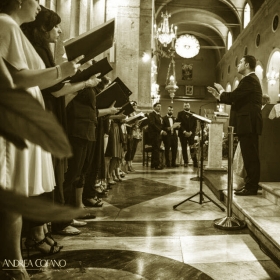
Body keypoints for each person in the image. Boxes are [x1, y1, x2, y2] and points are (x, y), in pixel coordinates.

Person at [0, 0, 83, 278]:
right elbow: (18, 80)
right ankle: (13, 266)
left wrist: (65, 70)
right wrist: (63, 71)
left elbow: (33, 79)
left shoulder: (15, 28)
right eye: (36, 0)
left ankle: (14, 261)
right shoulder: (5, 23)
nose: (39, 5)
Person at [207, 55, 263, 196]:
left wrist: (221, 90)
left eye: (241, 62)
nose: (238, 64)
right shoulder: (248, 81)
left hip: (249, 124)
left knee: (250, 156)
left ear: (247, 65)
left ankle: (252, 187)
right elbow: (236, 100)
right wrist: (219, 96)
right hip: (247, 124)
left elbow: (234, 97)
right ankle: (250, 185)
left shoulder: (249, 80)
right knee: (249, 156)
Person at [176, 102, 198, 167]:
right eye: (185, 105)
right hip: (183, 134)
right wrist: (184, 132)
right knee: (184, 148)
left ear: (189, 106)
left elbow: (195, 125)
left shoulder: (193, 114)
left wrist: (191, 132)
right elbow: (179, 124)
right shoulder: (180, 114)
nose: (186, 106)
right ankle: (186, 162)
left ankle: (195, 162)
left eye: (188, 105)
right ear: (183, 107)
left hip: (191, 134)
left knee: (192, 148)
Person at [147, 103, 167, 169]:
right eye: (158, 106)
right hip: (154, 134)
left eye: (160, 106)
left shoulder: (159, 115)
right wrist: (161, 131)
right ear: (154, 107)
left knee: (156, 149)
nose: (159, 108)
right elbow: (152, 124)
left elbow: (161, 125)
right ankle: (157, 165)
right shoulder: (151, 114)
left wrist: (164, 130)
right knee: (156, 150)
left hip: (158, 135)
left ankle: (153, 164)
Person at [124, 101, 142, 172]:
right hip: (130, 133)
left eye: (135, 106)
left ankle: (131, 164)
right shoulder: (128, 114)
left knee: (133, 149)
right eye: (133, 106)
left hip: (136, 134)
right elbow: (126, 123)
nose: (135, 107)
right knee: (129, 149)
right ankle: (127, 165)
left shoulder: (135, 114)